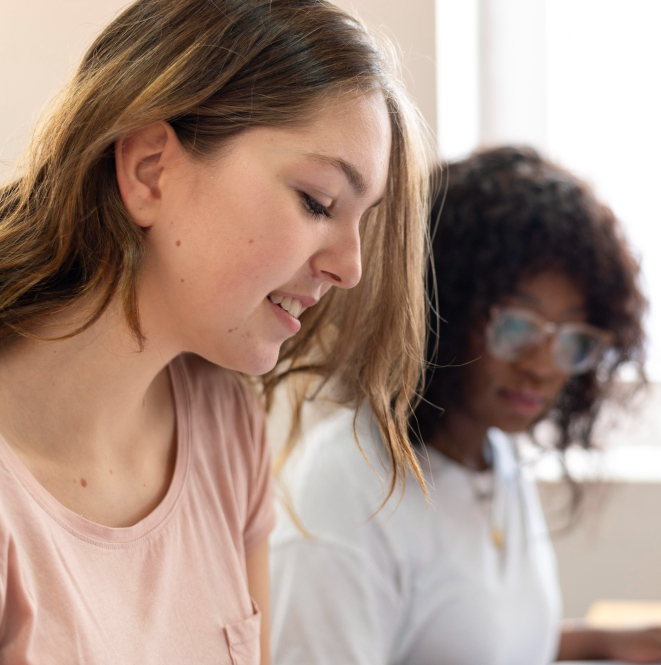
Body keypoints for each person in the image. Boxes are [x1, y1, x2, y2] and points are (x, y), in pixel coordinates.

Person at [0, 1, 431, 663]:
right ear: (150, 170)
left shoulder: (223, 426)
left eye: (361, 220)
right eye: (317, 201)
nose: (350, 267)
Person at [271, 146, 661, 664]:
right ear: (443, 309)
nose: (544, 366)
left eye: (572, 337)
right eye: (518, 327)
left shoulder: (490, 453)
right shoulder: (348, 486)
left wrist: (590, 644)